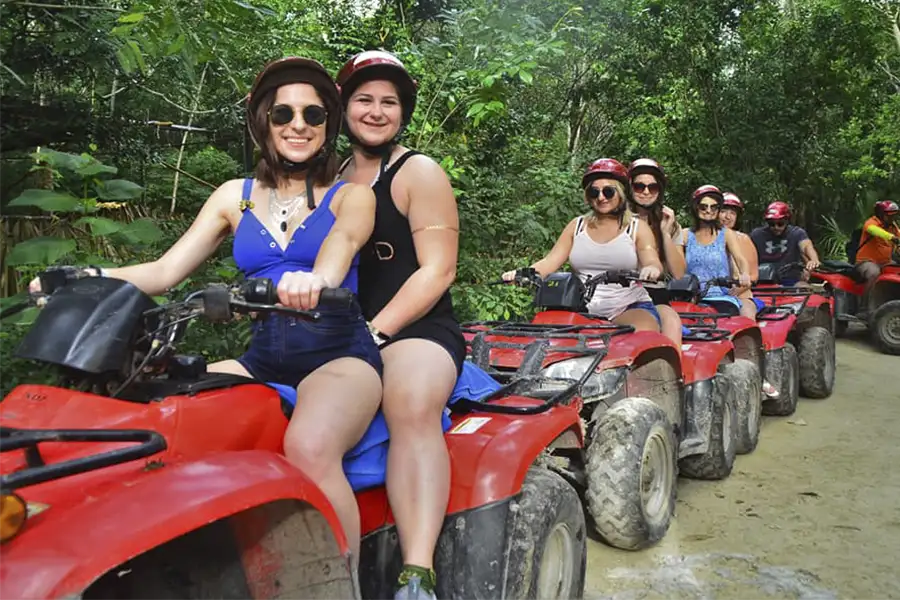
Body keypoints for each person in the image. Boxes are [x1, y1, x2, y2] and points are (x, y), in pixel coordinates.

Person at [30, 57, 383, 587]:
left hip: (337, 356)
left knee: (312, 447)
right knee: (167, 417)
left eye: (313, 113)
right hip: (261, 358)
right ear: (263, 121)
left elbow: (342, 245)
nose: (298, 123)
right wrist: (87, 274)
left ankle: (343, 582)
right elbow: (165, 270)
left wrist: (315, 281)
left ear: (329, 126)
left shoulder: (353, 195)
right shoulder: (234, 197)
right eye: (284, 111)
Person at [335, 50, 465, 600]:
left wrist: (376, 333)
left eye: (389, 101)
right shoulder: (327, 174)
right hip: (337, 331)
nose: (376, 110)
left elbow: (439, 270)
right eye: (364, 99)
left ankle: (416, 571)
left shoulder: (418, 171)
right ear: (342, 108)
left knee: (410, 401)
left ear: (403, 112)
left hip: (416, 329)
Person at [502, 158, 673, 340]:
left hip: (627, 305)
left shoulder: (636, 227)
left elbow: (650, 257)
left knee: (644, 336)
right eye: (594, 192)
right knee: (542, 338)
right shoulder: (577, 226)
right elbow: (550, 261)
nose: (601, 197)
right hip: (580, 307)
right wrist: (522, 273)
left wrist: (651, 269)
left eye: (608, 191)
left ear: (621, 193)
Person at [627, 158, 686, 350]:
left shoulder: (669, 222)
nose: (645, 192)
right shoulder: (616, 218)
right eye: (639, 186)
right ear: (630, 188)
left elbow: (678, 273)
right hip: (614, 290)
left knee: (670, 320)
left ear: (659, 190)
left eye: (652, 187)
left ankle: (674, 375)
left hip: (654, 293)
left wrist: (665, 233)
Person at [681, 185, 755, 319]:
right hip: (689, 297)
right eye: (703, 206)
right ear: (695, 207)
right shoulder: (685, 235)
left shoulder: (726, 234)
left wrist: (744, 274)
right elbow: (673, 262)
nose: (708, 210)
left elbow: (740, 259)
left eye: (713, 207)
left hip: (720, 296)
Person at [750, 201, 821, 284]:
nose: (776, 227)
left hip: (791, 279)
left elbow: (806, 246)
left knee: (803, 288)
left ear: (787, 221)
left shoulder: (796, 233)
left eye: (780, 224)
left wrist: (813, 260)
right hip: (762, 281)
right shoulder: (757, 234)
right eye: (771, 224)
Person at [853, 199, 900, 299]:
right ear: (881, 214)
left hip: (885, 262)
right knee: (874, 273)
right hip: (866, 262)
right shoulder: (871, 223)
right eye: (889, 215)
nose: (892, 218)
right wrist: (891, 237)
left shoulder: (893, 227)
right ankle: (864, 307)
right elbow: (872, 230)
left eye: (894, 215)